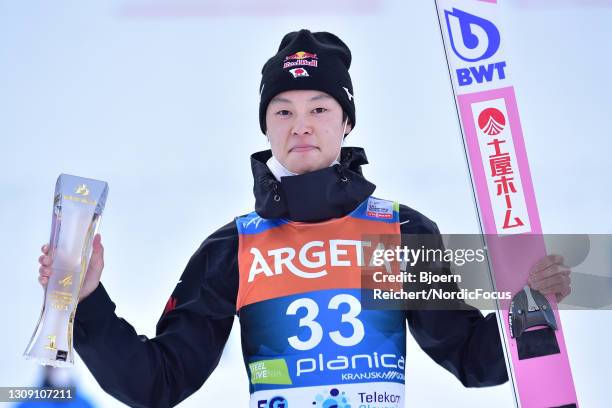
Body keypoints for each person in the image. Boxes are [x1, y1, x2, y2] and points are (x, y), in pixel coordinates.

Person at [37, 29, 572, 408]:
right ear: (266, 128)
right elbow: (157, 384)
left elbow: (473, 362)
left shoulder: (397, 234)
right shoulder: (235, 247)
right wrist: (85, 299)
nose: (301, 126)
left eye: (319, 108)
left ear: (346, 122)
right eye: (283, 112)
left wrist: (530, 305)